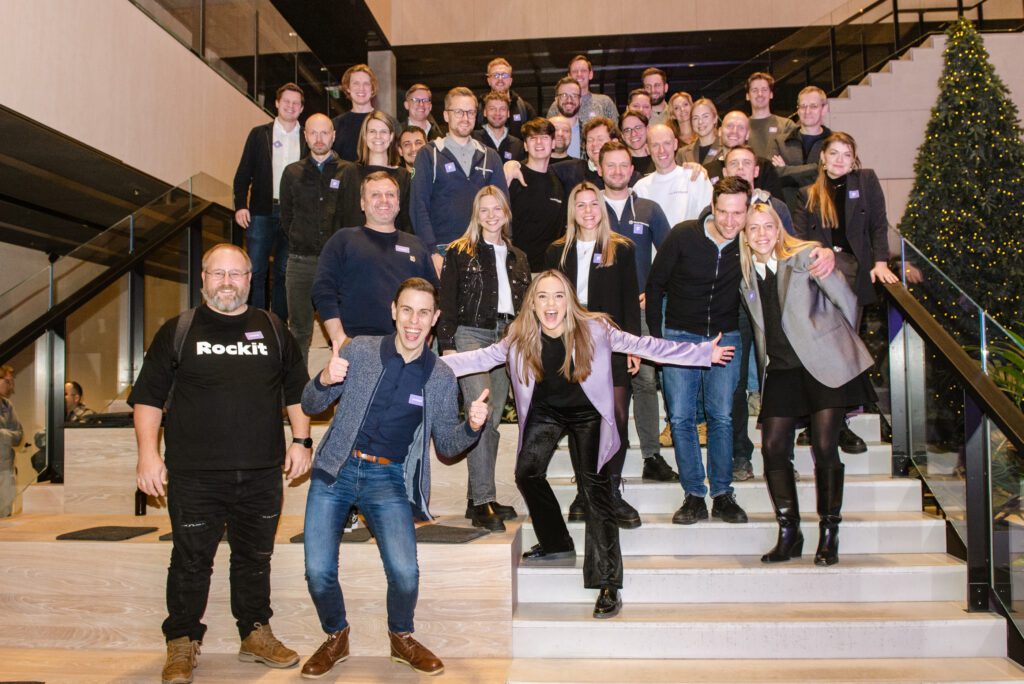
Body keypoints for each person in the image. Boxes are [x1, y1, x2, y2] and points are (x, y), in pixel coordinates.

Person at [441, 270, 734, 619]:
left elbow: (646, 345)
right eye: (543, 297)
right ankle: (556, 542)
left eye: (558, 296)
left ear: (569, 300)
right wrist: (423, 364)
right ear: (532, 303)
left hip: (588, 414)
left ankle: (608, 582)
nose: (551, 305)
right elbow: (477, 359)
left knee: (596, 492)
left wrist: (701, 353)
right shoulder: (519, 337)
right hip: (547, 411)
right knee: (527, 472)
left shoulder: (595, 329)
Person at [130, 244, 311, 684]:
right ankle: (181, 641)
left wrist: (302, 440)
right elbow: (149, 398)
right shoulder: (179, 330)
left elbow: (296, 391)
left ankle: (254, 633)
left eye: (236, 273)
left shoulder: (272, 328)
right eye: (218, 273)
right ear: (204, 278)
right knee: (191, 561)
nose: (227, 282)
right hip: (194, 475)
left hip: (262, 472)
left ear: (250, 279)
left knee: (255, 558)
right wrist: (148, 454)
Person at [300, 278, 489, 678]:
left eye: (423, 312)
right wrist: (325, 379)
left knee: (405, 571)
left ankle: (401, 637)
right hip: (336, 468)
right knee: (318, 571)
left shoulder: (438, 376)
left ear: (435, 319)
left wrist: (471, 426)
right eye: (407, 310)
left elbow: (448, 445)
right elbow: (310, 403)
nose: (413, 321)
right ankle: (337, 635)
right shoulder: (361, 350)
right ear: (393, 311)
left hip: (386, 477)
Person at [646, 177, 837, 526]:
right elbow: (656, 285)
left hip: (726, 337)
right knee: (681, 418)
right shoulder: (683, 235)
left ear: (746, 210)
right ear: (712, 208)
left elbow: (789, 247)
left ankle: (722, 493)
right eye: (723, 212)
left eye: (738, 213)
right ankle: (693, 495)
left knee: (722, 417)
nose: (731, 221)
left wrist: (824, 251)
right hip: (678, 337)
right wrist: (659, 343)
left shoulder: (748, 244)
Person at [739, 201, 875, 566]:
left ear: (779, 228)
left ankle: (829, 532)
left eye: (768, 226)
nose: (762, 234)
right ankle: (790, 531)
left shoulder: (805, 256)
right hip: (782, 369)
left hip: (822, 365)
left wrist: (838, 345)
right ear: (746, 236)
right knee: (772, 447)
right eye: (754, 229)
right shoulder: (747, 276)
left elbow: (846, 300)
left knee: (825, 446)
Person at [793, 131, 897, 453]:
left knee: (844, 350)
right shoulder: (807, 194)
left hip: (852, 276)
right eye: (833, 153)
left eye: (846, 155)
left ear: (854, 159)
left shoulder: (865, 182)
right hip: (818, 277)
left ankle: (839, 423)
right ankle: (819, 421)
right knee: (818, 351)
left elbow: (879, 225)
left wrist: (880, 261)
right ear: (822, 157)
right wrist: (823, 256)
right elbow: (799, 239)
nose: (839, 160)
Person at [546, 182, 642, 528]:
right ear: (572, 210)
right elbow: (548, 303)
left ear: (602, 209)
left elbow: (630, 300)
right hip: (570, 346)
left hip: (612, 344)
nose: (588, 210)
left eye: (593, 204)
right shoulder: (556, 251)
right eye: (580, 204)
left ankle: (611, 491)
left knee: (614, 416)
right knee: (581, 420)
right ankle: (585, 491)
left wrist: (633, 345)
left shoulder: (622, 248)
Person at [438, 187, 531, 531]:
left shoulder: (519, 256)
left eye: (497, 209)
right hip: (471, 336)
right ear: (476, 214)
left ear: (506, 213)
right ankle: (482, 501)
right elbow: (447, 300)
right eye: (484, 210)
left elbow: (525, 307)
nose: (491, 215)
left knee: (491, 422)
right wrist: (447, 345)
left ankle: (478, 496)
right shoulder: (459, 251)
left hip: (509, 339)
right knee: (483, 413)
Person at [596, 141, 676, 483]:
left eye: (622, 165)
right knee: (596, 383)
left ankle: (651, 456)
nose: (616, 171)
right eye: (609, 165)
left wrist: (652, 290)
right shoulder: (589, 207)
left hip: (639, 311)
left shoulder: (649, 209)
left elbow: (671, 256)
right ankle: (596, 457)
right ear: (599, 169)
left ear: (632, 170)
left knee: (644, 380)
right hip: (596, 316)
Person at [312, 172, 438, 348]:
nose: (384, 200)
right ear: (363, 203)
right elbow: (323, 290)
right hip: (358, 345)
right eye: (375, 195)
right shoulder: (343, 240)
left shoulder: (417, 245)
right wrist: (338, 338)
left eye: (390, 194)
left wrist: (426, 334)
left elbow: (434, 294)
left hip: (407, 347)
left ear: (398, 203)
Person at [280, 114, 360, 369]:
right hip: (300, 262)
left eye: (324, 133)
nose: (319, 138)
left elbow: (353, 217)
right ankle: (296, 392)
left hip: (338, 265)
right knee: (299, 330)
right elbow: (286, 217)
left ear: (333, 135)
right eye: (313, 133)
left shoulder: (349, 171)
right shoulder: (291, 173)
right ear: (305, 136)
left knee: (344, 328)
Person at [411, 87, 509, 277]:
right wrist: (431, 251)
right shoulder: (429, 154)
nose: (465, 117)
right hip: (442, 251)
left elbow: (503, 206)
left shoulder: (490, 157)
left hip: (484, 248)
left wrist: (504, 247)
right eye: (458, 112)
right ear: (446, 115)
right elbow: (418, 206)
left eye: (470, 112)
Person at [232, 82, 307, 320]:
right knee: (257, 269)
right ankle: (256, 319)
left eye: (296, 103)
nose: (290, 106)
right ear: (276, 103)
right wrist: (240, 205)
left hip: (293, 216)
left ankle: (278, 323)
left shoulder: (307, 138)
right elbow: (243, 173)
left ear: (301, 108)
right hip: (261, 212)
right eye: (286, 101)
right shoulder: (259, 134)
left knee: (285, 271)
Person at [507, 117, 567, 274]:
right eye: (533, 138)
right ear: (526, 145)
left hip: (549, 271)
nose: (539, 143)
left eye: (544, 138)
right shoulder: (513, 177)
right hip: (516, 270)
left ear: (553, 143)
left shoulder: (559, 183)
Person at [632, 124, 713, 228]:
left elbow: (710, 220)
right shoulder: (640, 188)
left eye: (667, 143)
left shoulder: (696, 177)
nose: (662, 150)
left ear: (675, 144)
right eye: (655, 145)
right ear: (647, 149)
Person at [772, 85, 833, 215]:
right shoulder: (779, 142)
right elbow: (775, 176)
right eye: (803, 106)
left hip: (824, 214)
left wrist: (787, 170)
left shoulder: (835, 143)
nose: (807, 111)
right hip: (788, 215)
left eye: (813, 106)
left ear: (824, 109)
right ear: (798, 110)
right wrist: (817, 168)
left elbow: (832, 177)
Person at [354, 111, 413, 232]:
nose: (378, 136)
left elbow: (407, 220)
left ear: (391, 137)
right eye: (372, 131)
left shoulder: (404, 176)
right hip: (358, 245)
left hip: (394, 245)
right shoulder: (350, 172)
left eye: (383, 132)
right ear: (364, 136)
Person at [547, 55, 618, 123]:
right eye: (575, 71)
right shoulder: (557, 105)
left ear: (590, 74)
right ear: (569, 76)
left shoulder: (605, 102)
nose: (579, 74)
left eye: (583, 70)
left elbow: (616, 132)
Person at [745, 72, 798, 160]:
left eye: (764, 90)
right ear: (747, 96)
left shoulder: (786, 125)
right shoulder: (740, 127)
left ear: (771, 94)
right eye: (755, 90)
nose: (760, 94)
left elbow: (795, 158)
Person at [481, 57, 536, 138]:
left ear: (510, 81)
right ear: (488, 81)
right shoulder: (478, 107)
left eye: (504, 75)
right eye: (496, 75)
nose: (500, 79)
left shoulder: (525, 109)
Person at [473, 91, 525, 162]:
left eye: (502, 109)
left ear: (508, 113)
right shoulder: (472, 139)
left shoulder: (518, 145)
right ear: (485, 112)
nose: (497, 113)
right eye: (492, 109)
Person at [0, 365, 22, 518]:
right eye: (8, 381)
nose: (11, 387)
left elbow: (19, 435)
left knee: (5, 514)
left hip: (5, 469)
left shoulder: (7, 406)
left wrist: (2, 434)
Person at [677, 97, 721, 165]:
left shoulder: (726, 148)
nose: (700, 122)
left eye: (705, 116)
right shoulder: (682, 154)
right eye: (695, 118)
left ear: (715, 118)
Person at [620, 109, 654, 176]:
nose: (633, 134)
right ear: (622, 136)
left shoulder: (659, 156)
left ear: (647, 129)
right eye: (627, 130)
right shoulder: (619, 163)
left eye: (638, 127)